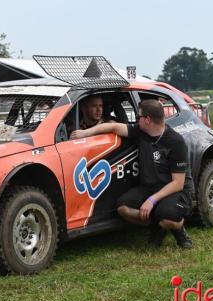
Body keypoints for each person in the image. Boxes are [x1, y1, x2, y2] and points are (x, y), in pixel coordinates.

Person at [70, 99, 193, 248]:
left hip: (174, 191)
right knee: (123, 208)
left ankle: (179, 231)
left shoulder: (176, 142)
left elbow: (178, 184)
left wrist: (151, 200)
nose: (136, 119)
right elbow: (114, 126)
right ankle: (157, 226)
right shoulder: (141, 131)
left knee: (166, 217)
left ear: (147, 120)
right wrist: (84, 133)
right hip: (149, 187)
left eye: (138, 116)